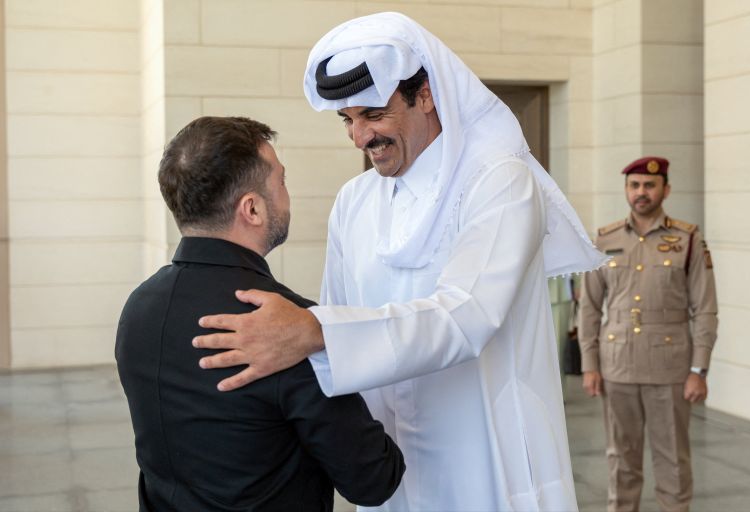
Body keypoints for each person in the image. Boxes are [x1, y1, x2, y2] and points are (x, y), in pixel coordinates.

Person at [193, 13, 607, 511]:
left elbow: (466, 315)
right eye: (347, 120)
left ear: (426, 95)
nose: (360, 138)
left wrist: (314, 332)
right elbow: (339, 311)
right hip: (387, 457)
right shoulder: (354, 200)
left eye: (373, 115)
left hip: (485, 451)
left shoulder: (499, 181)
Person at [115, 116, 404, 511]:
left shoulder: (139, 306)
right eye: (281, 181)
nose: (287, 194)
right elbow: (373, 479)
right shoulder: (287, 325)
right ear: (251, 209)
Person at [579, 156, 718, 512]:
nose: (642, 192)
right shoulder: (604, 238)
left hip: (670, 370)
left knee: (672, 462)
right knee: (621, 463)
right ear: (627, 190)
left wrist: (698, 370)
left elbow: (704, 309)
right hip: (617, 367)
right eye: (635, 185)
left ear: (665, 190)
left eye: (650, 185)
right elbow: (590, 307)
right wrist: (590, 365)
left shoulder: (687, 239)